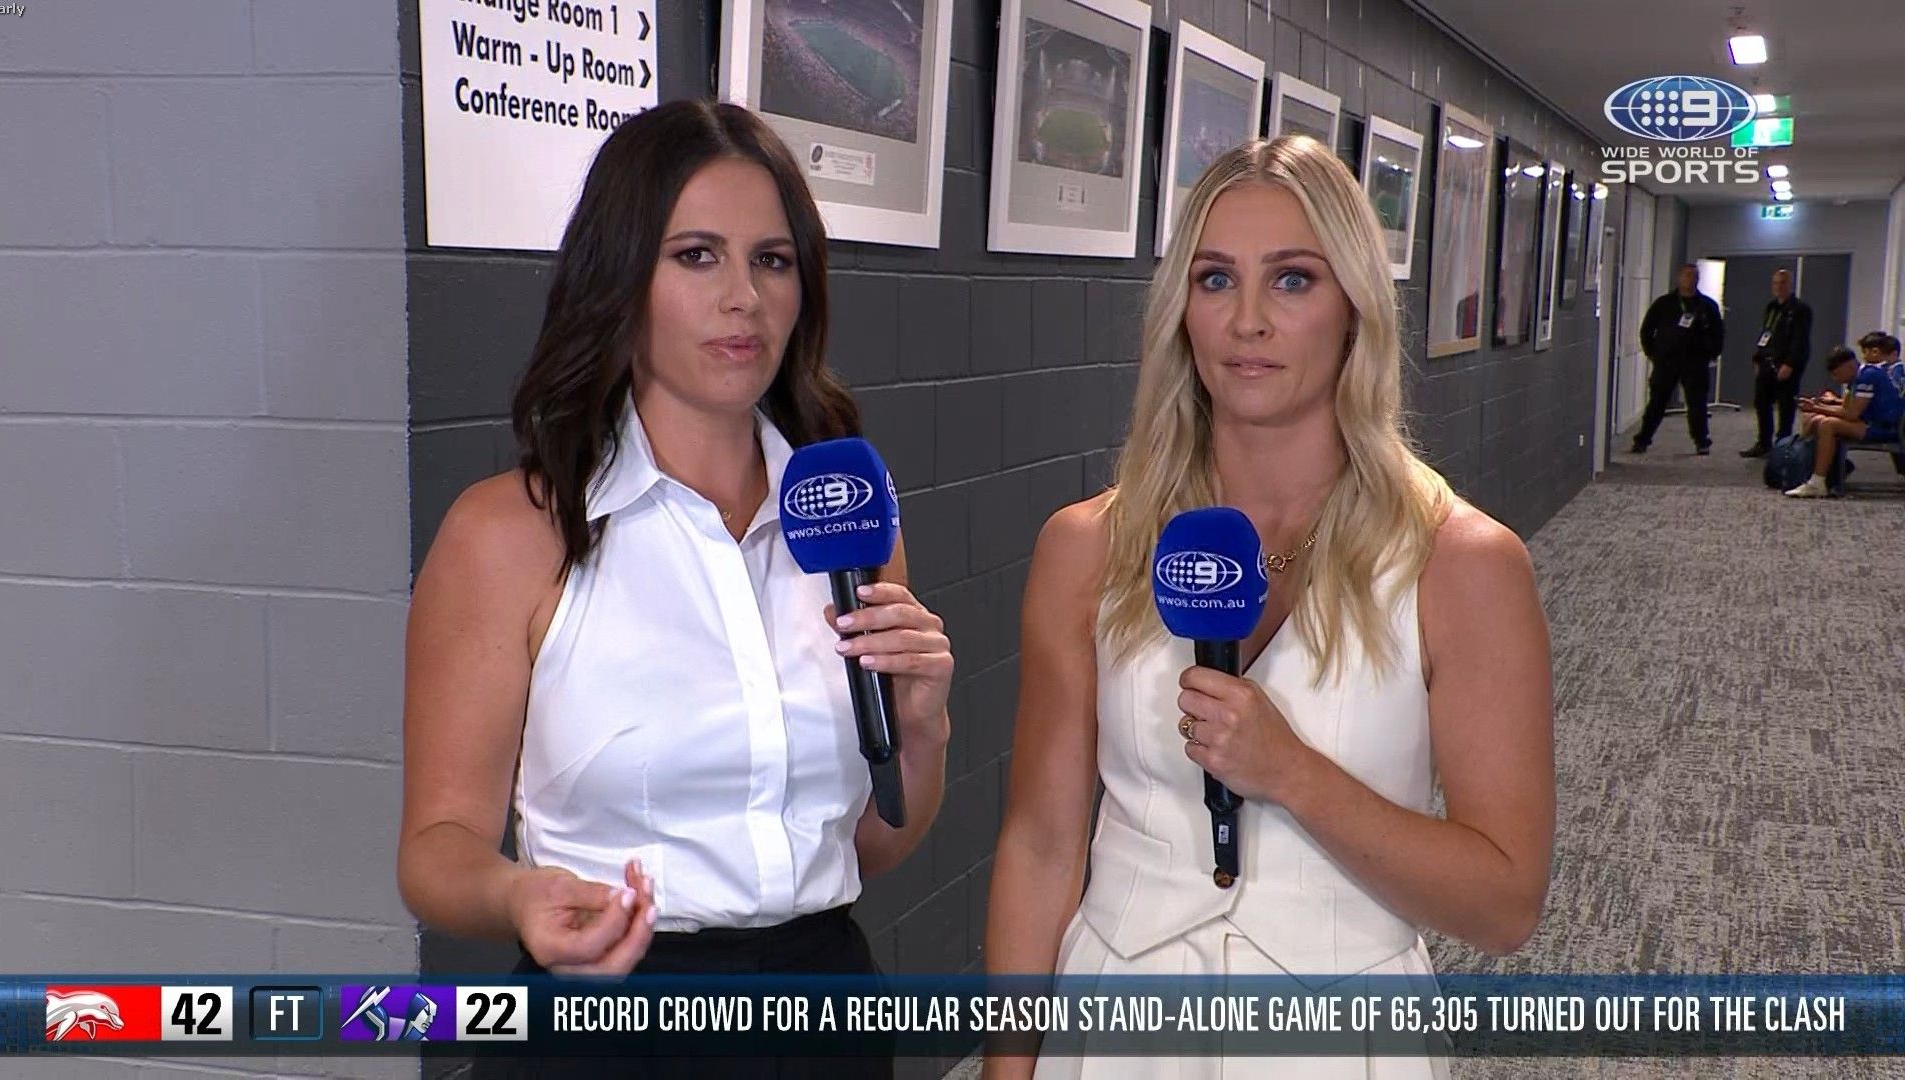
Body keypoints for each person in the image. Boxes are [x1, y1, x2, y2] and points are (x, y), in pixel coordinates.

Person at [397, 101, 954, 1079]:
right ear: (623, 279)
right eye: (697, 256)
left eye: (772, 260)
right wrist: (516, 897)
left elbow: (872, 846)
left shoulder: (851, 525)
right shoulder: (507, 534)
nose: (744, 297)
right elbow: (436, 850)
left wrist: (923, 729)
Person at [984, 135, 1555, 1080]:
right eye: (1215, 280)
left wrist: (1294, 774)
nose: (1247, 320)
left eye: (1292, 280)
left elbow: (1504, 904)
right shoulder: (1087, 547)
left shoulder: (1462, 564)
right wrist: (1009, 1070)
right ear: (1181, 311)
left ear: (1353, 308)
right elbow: (1042, 846)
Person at [1785, 344, 1905, 498]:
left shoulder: (1868, 376)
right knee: (1819, 419)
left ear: (1849, 366)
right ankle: (1817, 473)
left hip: (1885, 428)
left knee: (1828, 424)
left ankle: (1817, 482)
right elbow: (1847, 407)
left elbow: (1851, 414)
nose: (1835, 379)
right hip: (1870, 422)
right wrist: (1820, 406)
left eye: (1836, 374)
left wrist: (1817, 408)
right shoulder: (1858, 377)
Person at [1631, 263, 1724, 455]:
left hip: (1695, 362)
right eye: (1687, 275)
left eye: (1694, 276)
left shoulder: (1707, 306)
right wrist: (1654, 354)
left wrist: (1711, 353)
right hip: (1667, 361)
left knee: (1697, 404)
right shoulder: (1663, 304)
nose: (1691, 279)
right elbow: (1647, 331)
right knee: (1657, 402)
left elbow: (1718, 334)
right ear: (1679, 278)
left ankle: (1701, 441)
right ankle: (1642, 440)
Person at [1740, 268, 1813, 457]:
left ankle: (1782, 444)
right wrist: (1758, 357)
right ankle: (1763, 443)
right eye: (1775, 283)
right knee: (1761, 402)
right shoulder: (1771, 308)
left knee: (1785, 405)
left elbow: (1800, 340)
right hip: (1767, 361)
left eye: (1782, 283)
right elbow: (1766, 333)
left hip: (1786, 364)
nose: (1778, 287)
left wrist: (1790, 363)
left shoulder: (1800, 309)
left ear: (1790, 285)